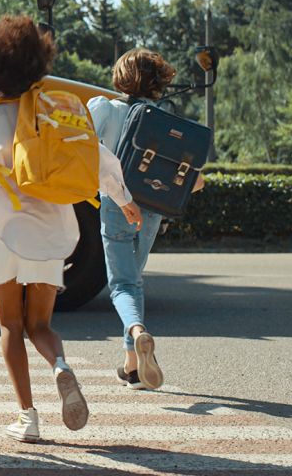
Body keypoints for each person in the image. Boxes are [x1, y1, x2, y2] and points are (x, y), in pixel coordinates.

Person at [0, 15, 142, 444]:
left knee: (10, 326)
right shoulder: (54, 110)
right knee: (40, 325)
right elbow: (98, 159)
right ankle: (61, 367)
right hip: (54, 229)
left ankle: (28, 417)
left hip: (5, 230)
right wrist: (124, 199)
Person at [88, 48, 203, 391]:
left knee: (122, 284)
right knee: (134, 280)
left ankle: (138, 334)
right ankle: (132, 366)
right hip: (152, 206)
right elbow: (193, 179)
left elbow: (84, 151)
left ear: (121, 78)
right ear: (157, 82)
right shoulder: (165, 120)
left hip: (116, 204)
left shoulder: (104, 108)